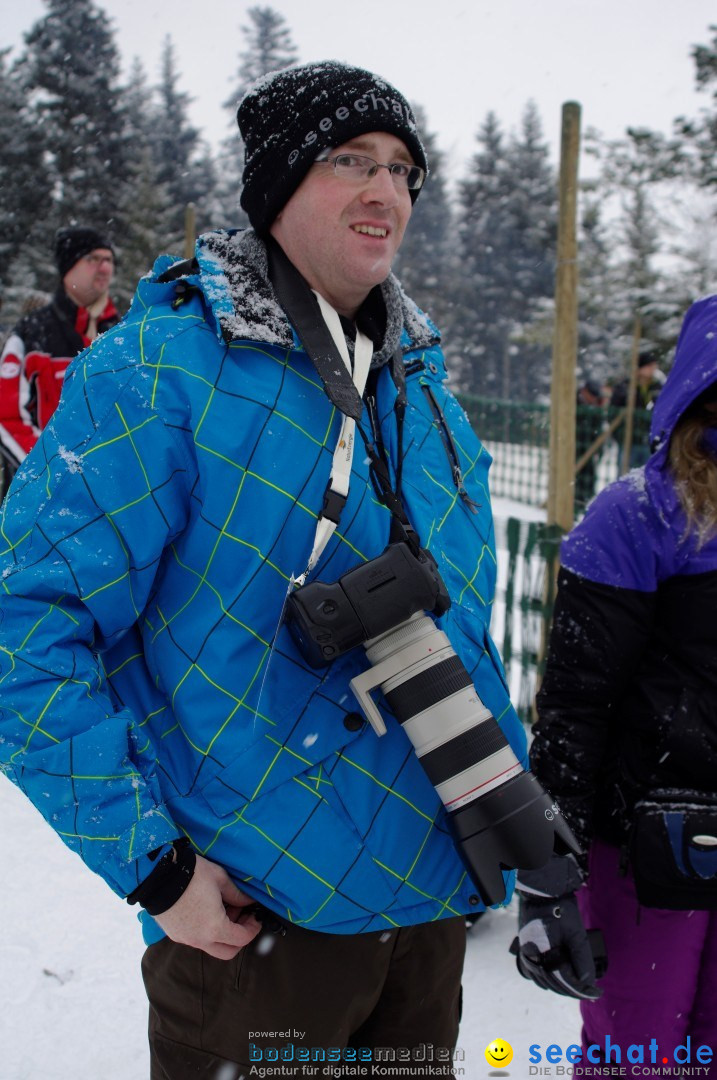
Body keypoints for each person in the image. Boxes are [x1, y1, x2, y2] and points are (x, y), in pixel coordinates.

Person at [0, 62, 529, 1079]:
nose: (387, 191)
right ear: (279, 186)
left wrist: (515, 818)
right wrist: (157, 871)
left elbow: (464, 633)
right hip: (256, 929)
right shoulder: (158, 373)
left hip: (428, 910)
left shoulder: (419, 384)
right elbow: (26, 631)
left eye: (404, 170)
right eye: (350, 161)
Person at [512, 295, 717, 1077]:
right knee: (636, 1058)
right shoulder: (638, 515)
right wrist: (547, 873)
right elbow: (573, 704)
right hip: (644, 851)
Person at [0, 225, 118, 498]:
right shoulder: (32, 332)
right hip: (37, 504)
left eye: (108, 260)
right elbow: (7, 416)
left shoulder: (122, 333)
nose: (104, 267)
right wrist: (49, 475)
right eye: (93, 259)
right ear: (68, 268)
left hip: (107, 505)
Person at [611, 349, 665, 470]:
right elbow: (613, 410)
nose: (653, 368)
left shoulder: (658, 387)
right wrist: (619, 435)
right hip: (628, 440)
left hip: (648, 441)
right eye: (649, 365)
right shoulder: (625, 387)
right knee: (625, 472)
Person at [575, 378, 606, 508]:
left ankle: (583, 501)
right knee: (575, 477)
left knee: (589, 477)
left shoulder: (597, 406)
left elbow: (598, 427)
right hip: (575, 446)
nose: (593, 399)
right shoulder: (575, 402)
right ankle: (576, 501)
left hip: (590, 447)